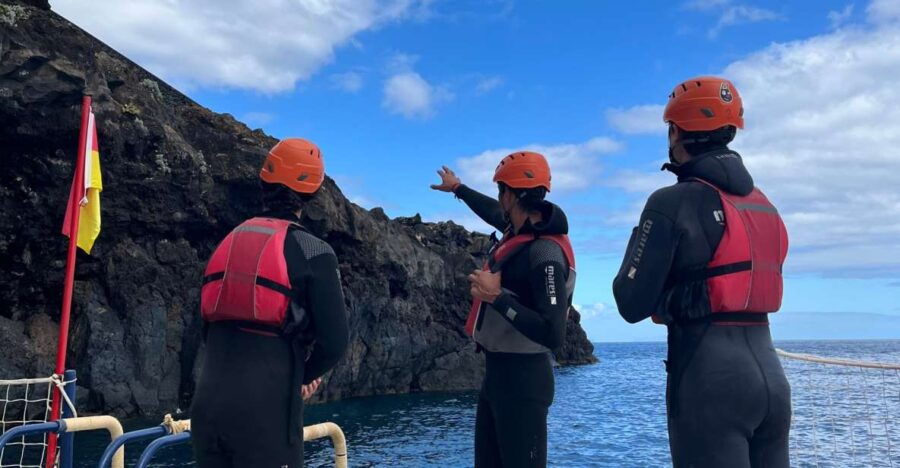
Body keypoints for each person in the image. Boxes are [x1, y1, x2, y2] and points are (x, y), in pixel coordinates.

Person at [613, 76, 791, 468]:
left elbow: (629, 302)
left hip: (709, 380)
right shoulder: (765, 206)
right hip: (771, 378)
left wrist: (641, 235)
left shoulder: (670, 202)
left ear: (676, 132)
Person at [191, 138, 350, 468]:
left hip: (207, 408)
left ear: (264, 182)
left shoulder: (228, 241)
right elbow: (335, 342)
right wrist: (301, 375)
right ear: (313, 193)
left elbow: (203, 327)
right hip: (266, 413)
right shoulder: (312, 250)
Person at [431, 152, 576, 468]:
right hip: (497, 376)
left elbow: (553, 334)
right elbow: (491, 212)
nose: (499, 200)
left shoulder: (544, 253)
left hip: (525, 381)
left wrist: (496, 297)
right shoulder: (521, 228)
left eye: (501, 191)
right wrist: (458, 188)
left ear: (510, 194)